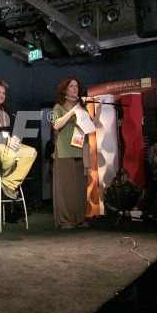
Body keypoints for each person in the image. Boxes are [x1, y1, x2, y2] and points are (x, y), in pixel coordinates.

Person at [52, 77, 101, 229]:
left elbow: (89, 127)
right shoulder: (58, 107)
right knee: (66, 188)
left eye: (77, 86)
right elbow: (56, 125)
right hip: (64, 151)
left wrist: (98, 114)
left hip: (80, 150)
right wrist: (72, 112)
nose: (75, 88)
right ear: (65, 90)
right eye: (71, 86)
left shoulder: (82, 108)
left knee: (79, 188)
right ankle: (66, 220)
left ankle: (79, 219)